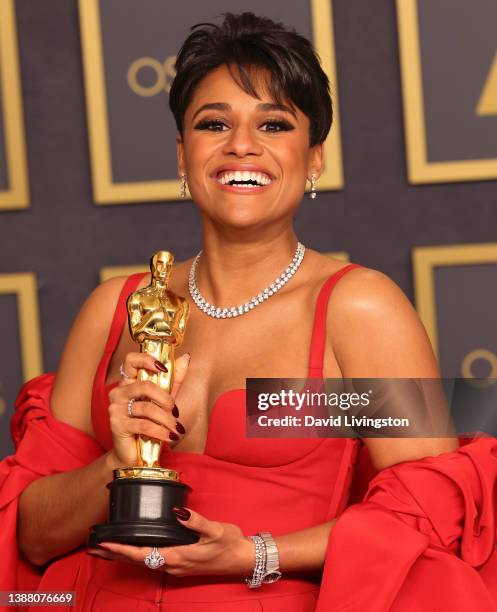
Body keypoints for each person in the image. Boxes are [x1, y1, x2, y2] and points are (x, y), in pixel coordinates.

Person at [1, 11, 497, 612]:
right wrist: (115, 464)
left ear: (314, 158)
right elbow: (30, 534)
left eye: (274, 123)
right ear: (184, 155)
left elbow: (424, 514)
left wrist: (256, 554)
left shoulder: (357, 309)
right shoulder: (119, 309)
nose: (242, 145)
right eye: (214, 123)